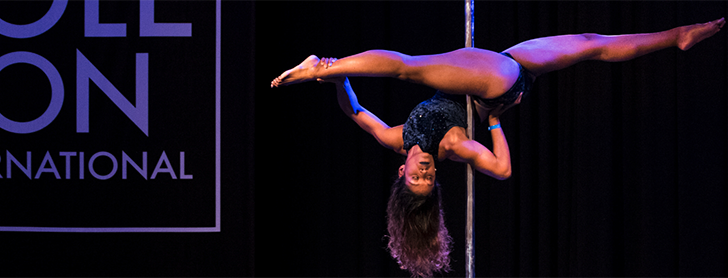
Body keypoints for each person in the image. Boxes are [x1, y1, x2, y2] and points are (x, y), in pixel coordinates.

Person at [272, 18, 724, 278]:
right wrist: (492, 122)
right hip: (494, 82)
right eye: (431, 179)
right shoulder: (452, 144)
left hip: (503, 70)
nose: (427, 172)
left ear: (402, 173)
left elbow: (356, 112)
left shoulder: (397, 137)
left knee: (591, 46)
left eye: (417, 177)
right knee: (408, 70)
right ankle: (319, 65)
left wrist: (339, 82)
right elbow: (503, 170)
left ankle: (676, 36)